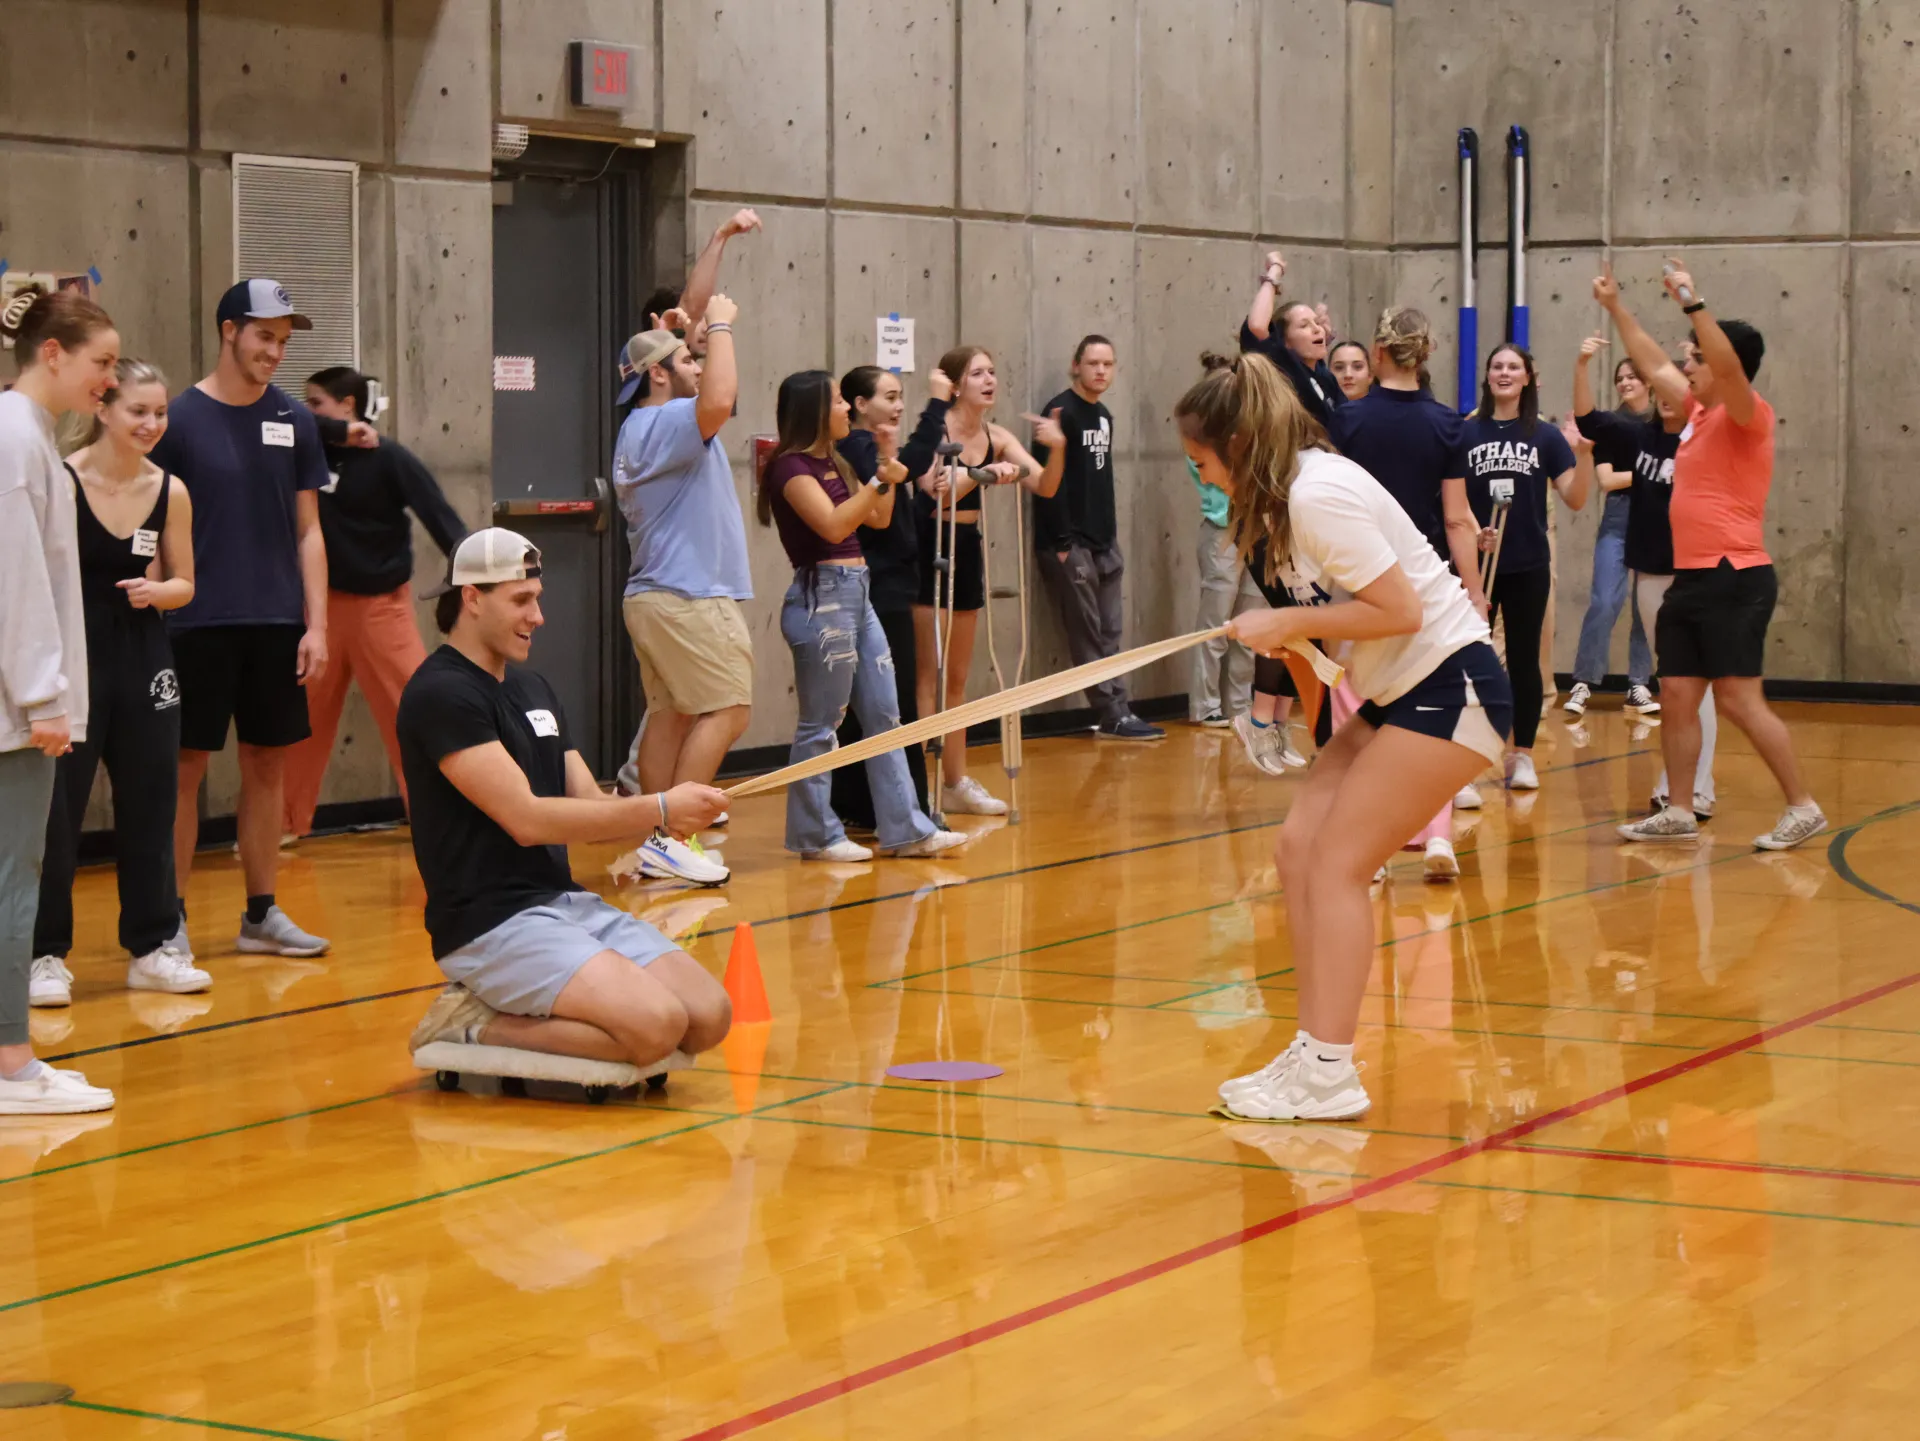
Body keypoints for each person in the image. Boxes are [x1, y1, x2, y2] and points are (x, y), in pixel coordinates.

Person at [1177, 351, 1509, 1121]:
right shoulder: (1284, 503)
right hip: (1400, 692)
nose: (1204, 478)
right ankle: (1312, 1048)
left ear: (1237, 445)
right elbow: (1324, 646)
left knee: (1337, 863)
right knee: (1299, 849)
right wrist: (1293, 649)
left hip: (1451, 686)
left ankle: (1330, 1070)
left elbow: (1401, 609)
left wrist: (1287, 621)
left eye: (1203, 463)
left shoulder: (1317, 493)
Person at [399, 528, 735, 1072]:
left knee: (708, 1016)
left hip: (560, 903)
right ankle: (469, 1019)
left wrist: (670, 815)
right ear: (472, 598)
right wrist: (660, 808)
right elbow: (527, 820)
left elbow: (589, 806)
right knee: (656, 1027)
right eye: (521, 600)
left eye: (537, 598)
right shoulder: (440, 694)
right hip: (490, 924)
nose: (538, 616)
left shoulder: (533, 688)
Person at [1598, 259, 1824, 849]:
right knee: (1676, 695)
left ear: (1725, 366)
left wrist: (1693, 303)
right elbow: (1652, 363)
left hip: (1735, 576)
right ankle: (1678, 809)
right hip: (1690, 578)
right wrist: (1617, 307)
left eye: (1695, 358)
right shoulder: (1698, 415)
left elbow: (1722, 364)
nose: (1686, 367)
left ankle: (1802, 806)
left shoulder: (1749, 415)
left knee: (1739, 701)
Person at [151, 279, 333, 959]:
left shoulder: (296, 420)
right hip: (192, 623)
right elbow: (151, 528)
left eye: (282, 341)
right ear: (229, 331)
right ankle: (167, 920)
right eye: (264, 336)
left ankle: (261, 914)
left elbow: (309, 530)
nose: (275, 352)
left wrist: (317, 625)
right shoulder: (177, 420)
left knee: (266, 765)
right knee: (184, 769)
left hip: (276, 624)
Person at [32, 359, 210, 1007]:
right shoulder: (60, 480)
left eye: (160, 412)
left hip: (145, 655)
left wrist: (160, 592)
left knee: (152, 802)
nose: (152, 423)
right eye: (138, 410)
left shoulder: (171, 491)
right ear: (103, 409)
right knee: (57, 812)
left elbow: (185, 582)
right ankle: (44, 954)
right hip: (73, 656)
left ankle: (154, 945)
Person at [758, 370, 969, 861]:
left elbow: (878, 516)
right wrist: (878, 479)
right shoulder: (790, 468)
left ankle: (907, 828)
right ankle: (817, 835)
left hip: (859, 594)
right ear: (814, 410)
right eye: (837, 401)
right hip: (822, 599)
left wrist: (886, 469)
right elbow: (834, 526)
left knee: (886, 716)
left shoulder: (832, 461)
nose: (844, 410)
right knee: (822, 723)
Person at [0, 288, 122, 1114]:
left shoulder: (28, 435)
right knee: (16, 878)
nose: (108, 380)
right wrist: (43, 694)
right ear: (52, 353)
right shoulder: (16, 438)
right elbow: (16, 578)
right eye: (100, 362)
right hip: (16, 712)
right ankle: (12, 1066)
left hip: (21, 704)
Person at [1324, 307, 1485, 878]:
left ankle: (1372, 851)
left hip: (1361, 577)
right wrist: (1473, 591)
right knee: (1428, 710)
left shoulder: (1347, 420)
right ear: (1426, 354)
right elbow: (1458, 518)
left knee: (1359, 712)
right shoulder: (1447, 424)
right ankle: (1437, 837)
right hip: (1426, 581)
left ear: (1378, 353)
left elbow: (1331, 498)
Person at [281, 366, 468, 839]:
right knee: (301, 722)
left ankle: (440, 820)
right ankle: (282, 822)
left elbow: (440, 515)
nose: (309, 412)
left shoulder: (389, 458)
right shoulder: (308, 454)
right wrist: (334, 430)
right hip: (320, 612)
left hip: (381, 610)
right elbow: (282, 417)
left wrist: (474, 574)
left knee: (415, 713)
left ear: (347, 404)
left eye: (318, 403)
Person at [611, 296, 748, 887]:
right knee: (730, 708)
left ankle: (659, 838)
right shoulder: (668, 421)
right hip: (688, 595)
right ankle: (674, 838)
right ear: (660, 375)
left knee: (671, 716)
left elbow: (712, 392)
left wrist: (677, 337)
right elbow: (719, 399)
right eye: (688, 361)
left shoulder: (640, 428)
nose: (699, 365)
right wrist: (718, 325)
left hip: (656, 596)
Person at [1570, 332, 1715, 817]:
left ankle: (1698, 788)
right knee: (1673, 683)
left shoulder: (1701, 438)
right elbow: (1588, 420)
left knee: (1694, 682)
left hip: (1691, 572)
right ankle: (1676, 785)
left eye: (1678, 386)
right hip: (1651, 569)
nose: (1669, 396)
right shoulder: (1641, 434)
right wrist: (1582, 365)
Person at [910, 346, 1055, 817]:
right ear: (955, 385)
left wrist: (1058, 447)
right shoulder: (935, 431)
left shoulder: (997, 434)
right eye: (977, 373)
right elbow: (934, 489)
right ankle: (919, 787)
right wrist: (983, 474)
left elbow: (1045, 485)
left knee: (957, 678)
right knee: (927, 676)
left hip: (967, 547)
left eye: (992, 371)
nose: (989, 379)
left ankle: (955, 781)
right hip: (930, 545)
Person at [1458, 344, 1590, 795]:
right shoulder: (1466, 432)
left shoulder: (1546, 436)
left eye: (1513, 367)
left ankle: (1523, 756)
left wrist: (1585, 454)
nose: (1504, 372)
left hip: (1528, 564)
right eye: (1497, 366)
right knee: (1469, 661)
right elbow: (1450, 499)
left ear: (1528, 377)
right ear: (1487, 376)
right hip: (1475, 567)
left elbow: (1576, 498)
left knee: (1524, 661)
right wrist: (1474, 531)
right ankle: (1463, 767)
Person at [1233, 252, 1342, 774]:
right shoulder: (1283, 370)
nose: (1316, 329)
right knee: (1287, 617)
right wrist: (1273, 276)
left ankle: (1277, 722)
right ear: (1284, 340)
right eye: (1304, 325)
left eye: (1318, 324)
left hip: (1315, 511)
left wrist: (1324, 333)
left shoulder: (1323, 381)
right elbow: (1257, 328)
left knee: (1305, 627)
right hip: (1279, 509)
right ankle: (1257, 721)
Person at [1030, 336, 1164, 742]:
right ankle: (1109, 713)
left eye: (1108, 364)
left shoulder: (1103, 415)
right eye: (1093, 363)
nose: (1101, 371)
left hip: (1104, 542)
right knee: (1088, 632)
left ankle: (1120, 709)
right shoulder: (1060, 412)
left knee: (1111, 631)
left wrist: (1109, 537)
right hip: (1070, 544)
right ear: (1076, 366)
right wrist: (1063, 543)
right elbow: (1046, 484)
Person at [830, 366, 927, 828]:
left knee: (868, 702)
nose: (899, 405)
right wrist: (889, 457)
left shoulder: (867, 446)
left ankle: (855, 805)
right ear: (860, 404)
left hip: (888, 582)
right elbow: (881, 515)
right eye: (889, 397)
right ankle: (912, 809)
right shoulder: (860, 447)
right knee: (896, 702)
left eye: (901, 395)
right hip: (878, 585)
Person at [1566, 354, 1658, 718]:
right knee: (1605, 600)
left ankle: (1639, 683)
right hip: (1620, 517)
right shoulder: (1611, 425)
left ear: (1648, 382)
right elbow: (1606, 480)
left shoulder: (1663, 425)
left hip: (1655, 518)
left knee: (1645, 606)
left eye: (1632, 376)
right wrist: (1656, 473)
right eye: (1620, 378)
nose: (1625, 383)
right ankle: (1583, 681)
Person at [1188, 454, 1263, 727]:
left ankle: (1239, 706)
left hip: (1257, 530)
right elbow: (1203, 469)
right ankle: (1206, 707)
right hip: (1223, 529)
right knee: (1214, 627)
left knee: (1248, 628)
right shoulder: (1207, 439)